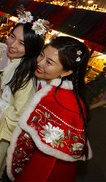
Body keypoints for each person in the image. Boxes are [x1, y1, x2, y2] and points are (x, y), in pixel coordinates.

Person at [6, 36, 92, 181]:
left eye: (49, 62)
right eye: (41, 55)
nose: (39, 62)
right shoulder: (53, 86)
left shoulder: (61, 103)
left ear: (66, 72)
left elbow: (46, 164)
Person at [0, 21, 45, 181]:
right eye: (12, 37)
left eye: (21, 43)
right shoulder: (11, 60)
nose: (13, 44)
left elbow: (18, 117)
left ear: (31, 49)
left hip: (5, 134)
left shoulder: (26, 79)